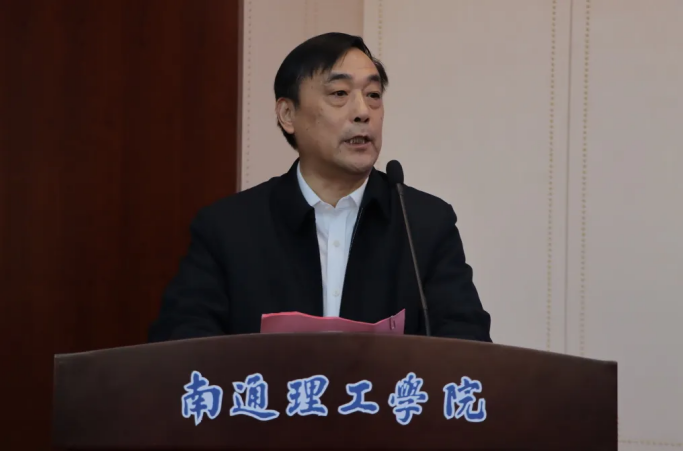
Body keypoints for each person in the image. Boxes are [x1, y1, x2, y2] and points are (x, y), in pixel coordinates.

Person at [147, 32, 491, 342]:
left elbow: (468, 350)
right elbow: (182, 348)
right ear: (287, 114)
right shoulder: (228, 228)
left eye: (373, 95)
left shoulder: (423, 225)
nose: (363, 112)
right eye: (339, 94)